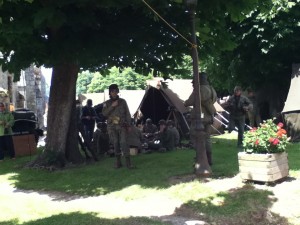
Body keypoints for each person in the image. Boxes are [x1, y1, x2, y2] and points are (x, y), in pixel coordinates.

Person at [184, 72, 217, 166]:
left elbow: (189, 102)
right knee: (207, 138)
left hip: (200, 117)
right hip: (209, 116)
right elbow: (214, 100)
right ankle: (209, 159)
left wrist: (185, 103)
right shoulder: (211, 89)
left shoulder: (199, 89)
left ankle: (201, 158)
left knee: (195, 136)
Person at [102, 84, 134, 169]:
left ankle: (128, 162)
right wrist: (112, 106)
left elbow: (127, 113)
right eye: (112, 91)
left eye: (116, 91)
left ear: (118, 92)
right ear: (110, 93)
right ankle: (118, 162)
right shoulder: (107, 103)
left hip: (122, 125)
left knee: (123, 143)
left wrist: (129, 125)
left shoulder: (123, 102)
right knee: (115, 143)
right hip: (112, 126)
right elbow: (104, 114)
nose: (114, 93)